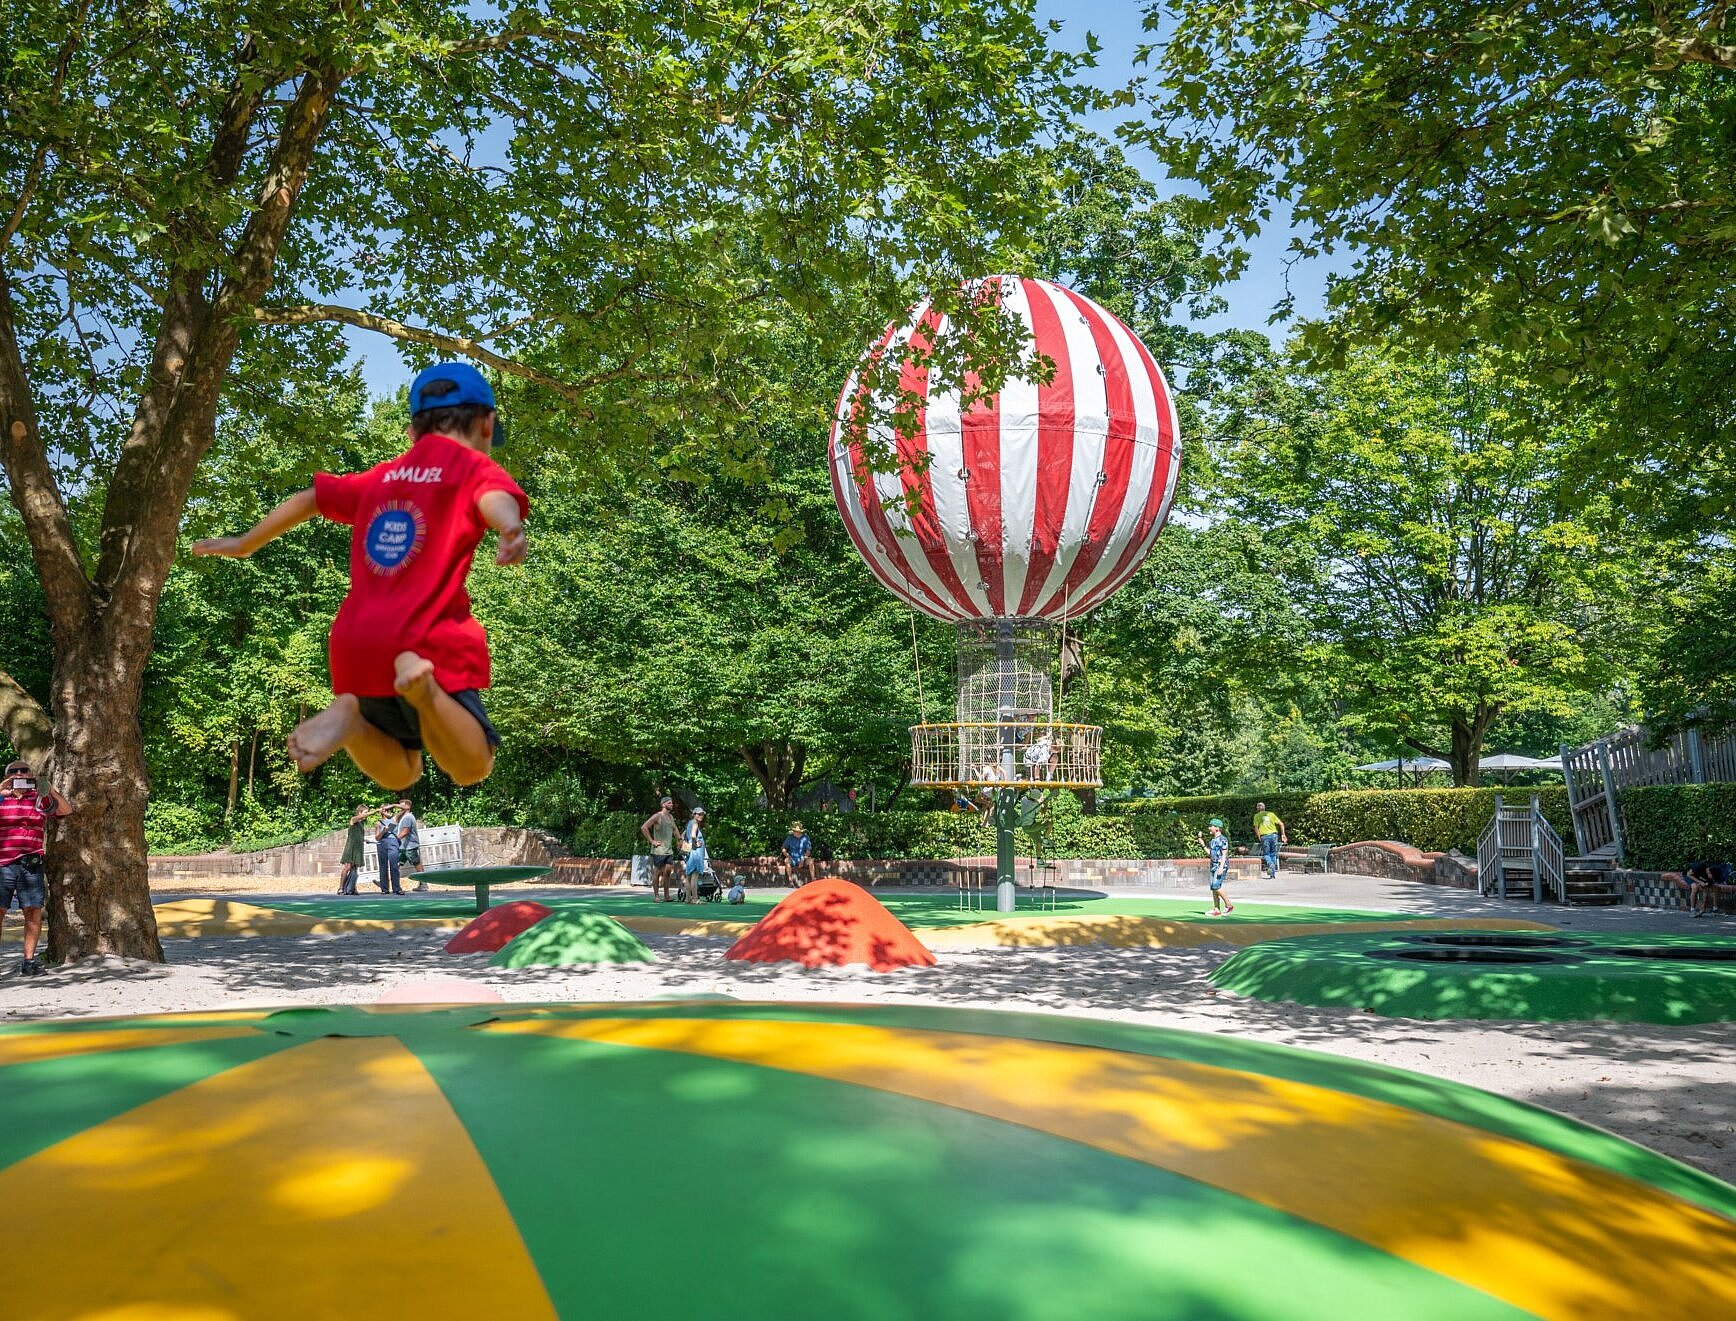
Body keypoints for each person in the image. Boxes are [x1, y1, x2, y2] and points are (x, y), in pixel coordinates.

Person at [193, 362, 529, 792]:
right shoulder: (470, 467)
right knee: (471, 767)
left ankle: (350, 720)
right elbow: (495, 497)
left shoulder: (382, 477)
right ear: (487, 424)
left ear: (412, 433)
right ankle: (424, 692)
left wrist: (246, 543)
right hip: (427, 637)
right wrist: (509, 527)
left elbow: (312, 498)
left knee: (402, 772)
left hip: (357, 642)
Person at [0, 759, 70, 976]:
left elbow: (66, 810)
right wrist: (1, 790)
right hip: (2, 865)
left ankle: (28, 962)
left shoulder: (38, 799)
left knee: (32, 911)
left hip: (30, 863)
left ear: (31, 775)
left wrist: (49, 788)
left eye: (24, 771)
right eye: (14, 771)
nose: (19, 774)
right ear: (8, 776)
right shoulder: (1, 798)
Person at [640, 797, 680, 902]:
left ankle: (667, 896)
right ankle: (656, 896)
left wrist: (679, 840)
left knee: (667, 871)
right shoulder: (657, 816)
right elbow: (644, 827)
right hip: (659, 850)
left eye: (671, 802)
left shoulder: (671, 817)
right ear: (663, 805)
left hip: (669, 850)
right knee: (657, 872)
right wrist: (652, 841)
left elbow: (675, 829)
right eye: (669, 803)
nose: (671, 804)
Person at [1202, 818, 1235, 915]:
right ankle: (1216, 909)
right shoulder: (1212, 840)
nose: (1209, 828)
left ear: (1217, 828)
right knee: (1213, 887)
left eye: (1211, 826)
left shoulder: (1223, 839)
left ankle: (1229, 905)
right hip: (1213, 865)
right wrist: (1203, 845)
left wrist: (1221, 867)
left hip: (1221, 866)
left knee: (1216, 886)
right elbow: (1211, 853)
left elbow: (1224, 854)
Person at [337, 804, 372, 895]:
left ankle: (352, 888)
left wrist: (365, 839)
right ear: (360, 812)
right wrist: (375, 811)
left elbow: (358, 834)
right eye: (365, 812)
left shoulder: (362, 823)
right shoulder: (353, 819)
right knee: (347, 867)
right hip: (351, 847)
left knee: (355, 869)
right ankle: (340, 888)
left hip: (358, 848)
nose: (366, 814)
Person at [395, 801, 426, 891]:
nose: (400, 806)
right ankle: (390, 884)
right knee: (395, 864)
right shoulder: (403, 817)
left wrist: (395, 839)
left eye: (402, 804)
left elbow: (405, 831)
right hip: (403, 847)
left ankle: (423, 884)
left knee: (417, 864)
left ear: (408, 806)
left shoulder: (408, 817)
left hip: (410, 846)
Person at [680, 807, 709, 904]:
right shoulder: (695, 823)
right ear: (694, 814)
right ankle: (695, 898)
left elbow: (682, 835)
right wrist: (695, 842)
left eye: (702, 814)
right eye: (698, 814)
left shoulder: (689, 823)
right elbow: (693, 835)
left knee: (688, 876)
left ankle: (688, 898)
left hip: (689, 851)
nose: (701, 816)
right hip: (696, 852)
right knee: (695, 876)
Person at [1252, 801, 1287, 879]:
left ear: (1258, 808)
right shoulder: (1271, 814)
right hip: (1274, 836)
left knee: (1266, 854)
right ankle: (1272, 874)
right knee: (1273, 854)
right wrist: (1283, 834)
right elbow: (1281, 824)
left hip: (1264, 836)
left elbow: (1256, 828)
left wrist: (1259, 837)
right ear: (1264, 808)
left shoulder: (1257, 816)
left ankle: (1270, 863)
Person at [375, 806, 403, 895]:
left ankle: (397, 889)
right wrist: (384, 831)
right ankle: (384, 889)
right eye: (386, 810)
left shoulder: (394, 818)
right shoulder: (378, 823)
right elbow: (377, 838)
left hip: (393, 842)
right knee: (383, 867)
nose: (388, 811)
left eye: (389, 810)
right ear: (381, 812)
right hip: (382, 843)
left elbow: (406, 808)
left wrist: (393, 805)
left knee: (394, 866)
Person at [781, 821, 815, 888]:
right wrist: (787, 855)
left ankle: (813, 880)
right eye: (793, 831)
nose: (794, 832)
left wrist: (803, 858)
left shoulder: (805, 838)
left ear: (799, 832)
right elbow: (783, 848)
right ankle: (790, 881)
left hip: (803, 858)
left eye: (795, 831)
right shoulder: (790, 837)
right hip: (792, 858)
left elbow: (808, 851)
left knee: (811, 861)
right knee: (786, 861)